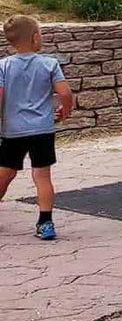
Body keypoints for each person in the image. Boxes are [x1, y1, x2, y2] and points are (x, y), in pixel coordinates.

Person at [0, 14, 74, 241]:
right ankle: (45, 222)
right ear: (35, 37)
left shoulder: (3, 66)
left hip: (12, 130)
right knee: (42, 176)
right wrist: (65, 110)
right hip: (42, 130)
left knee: (5, 173)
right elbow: (64, 92)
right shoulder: (49, 64)